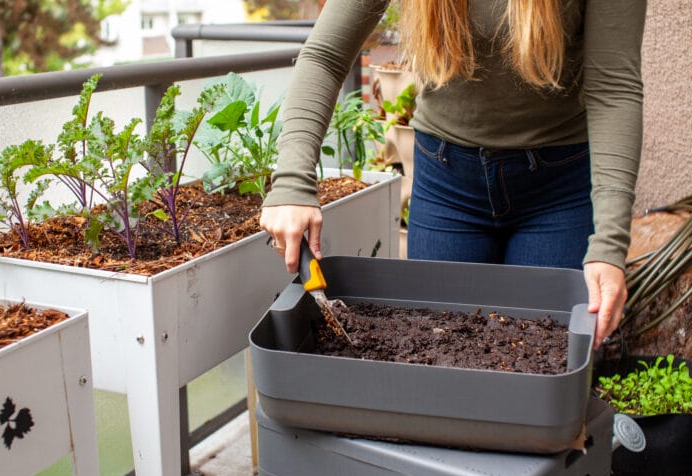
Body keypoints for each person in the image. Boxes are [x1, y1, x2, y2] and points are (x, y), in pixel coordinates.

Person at [259, 0, 646, 348]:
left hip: (557, 191)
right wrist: (292, 182)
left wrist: (609, 246)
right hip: (448, 186)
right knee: (436, 356)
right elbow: (326, 55)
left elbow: (613, 88)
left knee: (541, 364)